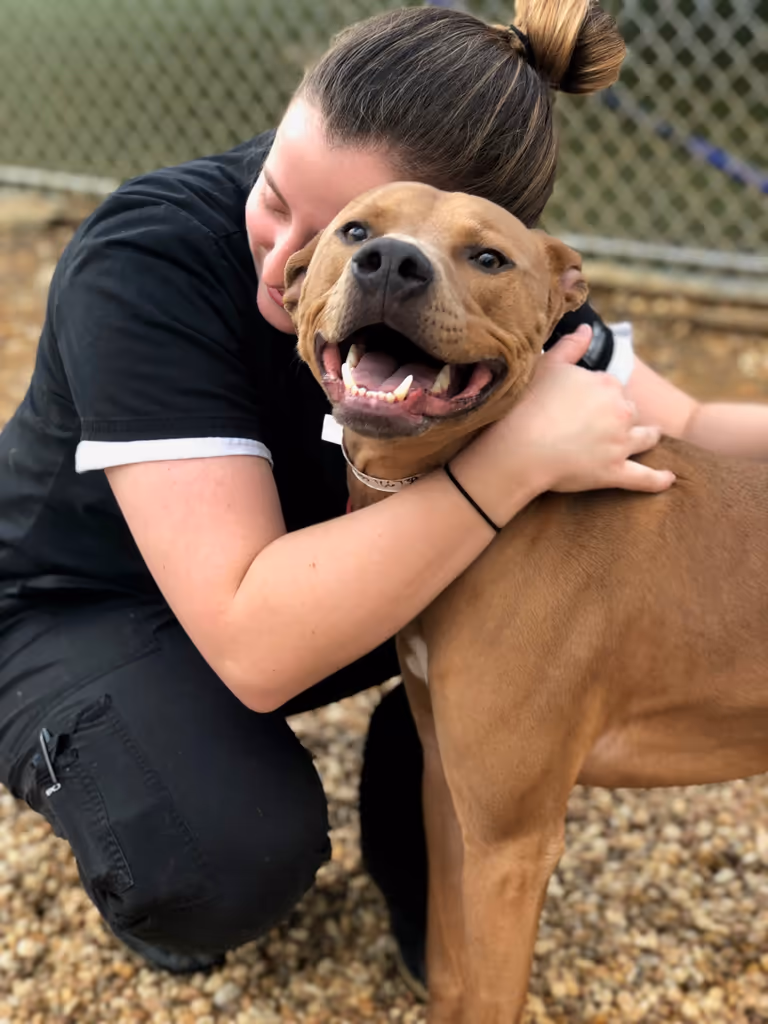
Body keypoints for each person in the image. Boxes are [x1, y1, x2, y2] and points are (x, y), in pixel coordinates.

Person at [1, 0, 766, 994]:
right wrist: (514, 460)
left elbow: (697, 425)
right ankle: (154, 818)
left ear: (526, 263)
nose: (292, 263)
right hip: (81, 610)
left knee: (507, 618)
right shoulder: (148, 262)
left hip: (315, 583)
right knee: (219, 848)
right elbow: (257, 642)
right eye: (287, 201)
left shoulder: (515, 302)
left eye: (470, 255)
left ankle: (428, 819)